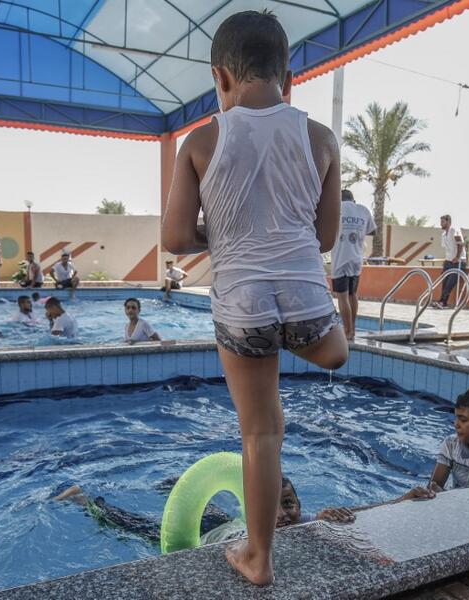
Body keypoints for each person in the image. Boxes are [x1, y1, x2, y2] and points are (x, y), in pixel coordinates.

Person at [161, 10, 348, 586]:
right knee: (336, 354)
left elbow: (173, 240)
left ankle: (258, 558)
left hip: (242, 307)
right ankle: (306, 337)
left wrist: (224, 235)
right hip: (309, 309)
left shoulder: (202, 140)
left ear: (221, 77)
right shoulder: (320, 137)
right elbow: (324, 238)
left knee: (261, 431)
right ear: (288, 76)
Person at [53, 476, 354, 545]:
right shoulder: (256, 535)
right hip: (204, 532)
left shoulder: (296, 519)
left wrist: (324, 517)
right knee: (130, 524)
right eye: (269, 505)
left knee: (202, 504)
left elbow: (312, 519)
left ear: (298, 504)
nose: (282, 514)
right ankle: (83, 500)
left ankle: (177, 485)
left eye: (288, 503)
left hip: (221, 521)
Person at [331, 189, 375, 340]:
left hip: (340, 259)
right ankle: (353, 330)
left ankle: (347, 331)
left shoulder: (336, 208)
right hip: (356, 259)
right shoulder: (363, 210)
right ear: (353, 200)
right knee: (352, 294)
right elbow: (373, 231)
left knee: (342, 296)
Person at [432, 214, 467, 310]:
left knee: (450, 283)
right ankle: (443, 302)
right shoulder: (443, 234)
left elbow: (460, 244)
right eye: (441, 222)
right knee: (444, 281)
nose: (441, 224)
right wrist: (446, 260)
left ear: (448, 222)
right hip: (448, 261)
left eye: (443, 222)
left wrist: (457, 257)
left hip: (458, 261)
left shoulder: (454, 230)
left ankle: (443, 302)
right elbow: (448, 249)